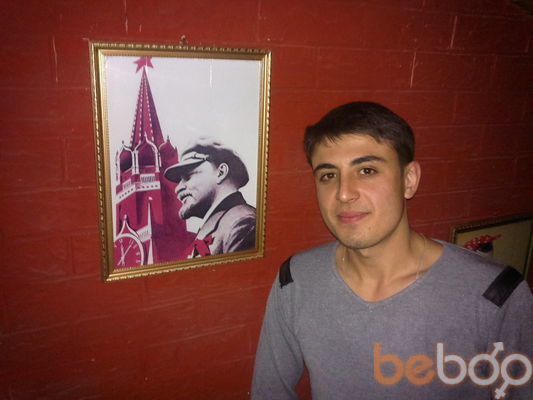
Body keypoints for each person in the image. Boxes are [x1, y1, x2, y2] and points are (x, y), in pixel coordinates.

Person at [252, 102, 532, 399]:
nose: (344, 193)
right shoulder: (296, 280)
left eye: (367, 170)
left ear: (408, 180)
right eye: (328, 175)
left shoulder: (495, 296)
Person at [164, 137, 256, 257]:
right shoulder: (226, 223)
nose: (178, 188)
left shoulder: (242, 223)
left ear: (221, 173)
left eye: (188, 176)